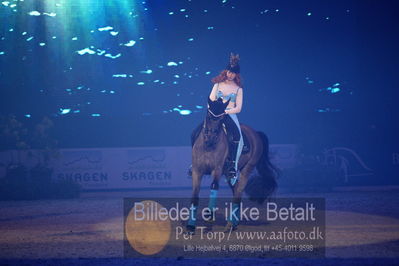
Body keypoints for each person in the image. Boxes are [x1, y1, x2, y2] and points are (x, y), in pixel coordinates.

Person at [208, 53, 244, 185]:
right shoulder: (217, 85)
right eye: (229, 72)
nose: (230, 74)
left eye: (233, 73)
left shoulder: (238, 89)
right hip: (215, 113)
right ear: (226, 71)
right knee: (198, 131)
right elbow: (210, 99)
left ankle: (233, 166)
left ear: (236, 75)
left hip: (230, 114)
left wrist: (226, 111)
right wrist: (215, 110)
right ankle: (195, 161)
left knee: (237, 136)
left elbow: (239, 108)